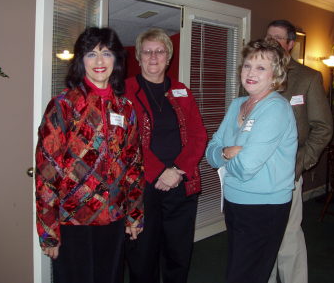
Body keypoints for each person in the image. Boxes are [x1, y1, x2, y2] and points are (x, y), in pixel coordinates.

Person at [35, 27, 145, 283]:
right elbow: (46, 172)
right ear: (80, 60)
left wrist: (135, 216)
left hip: (114, 217)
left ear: (116, 60)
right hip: (74, 220)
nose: (99, 61)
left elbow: (134, 166)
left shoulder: (125, 108)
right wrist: (48, 231)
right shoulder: (63, 105)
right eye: (90, 54)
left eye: (106, 53)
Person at [206, 39, 298, 283]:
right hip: (234, 200)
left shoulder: (276, 109)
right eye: (247, 66)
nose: (251, 73)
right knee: (241, 267)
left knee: (245, 274)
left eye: (260, 68)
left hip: (264, 207)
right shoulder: (238, 104)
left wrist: (228, 156)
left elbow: (246, 167)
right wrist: (227, 152)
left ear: (275, 74)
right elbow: (211, 151)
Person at [124, 28, 207, 283]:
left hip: (181, 183)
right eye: (147, 51)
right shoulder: (125, 90)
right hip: (143, 186)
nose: (153, 57)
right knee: (142, 254)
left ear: (168, 57)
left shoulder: (181, 90)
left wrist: (177, 171)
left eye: (159, 51)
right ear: (138, 57)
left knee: (178, 253)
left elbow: (198, 134)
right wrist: (160, 171)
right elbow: (126, 141)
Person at [266, 20, 333, 283]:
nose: (271, 41)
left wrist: (300, 162)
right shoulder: (255, 74)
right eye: (268, 36)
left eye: (278, 38)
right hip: (257, 173)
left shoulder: (308, 78)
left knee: (288, 236)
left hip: (286, 172)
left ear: (290, 44)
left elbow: (323, 128)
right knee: (263, 236)